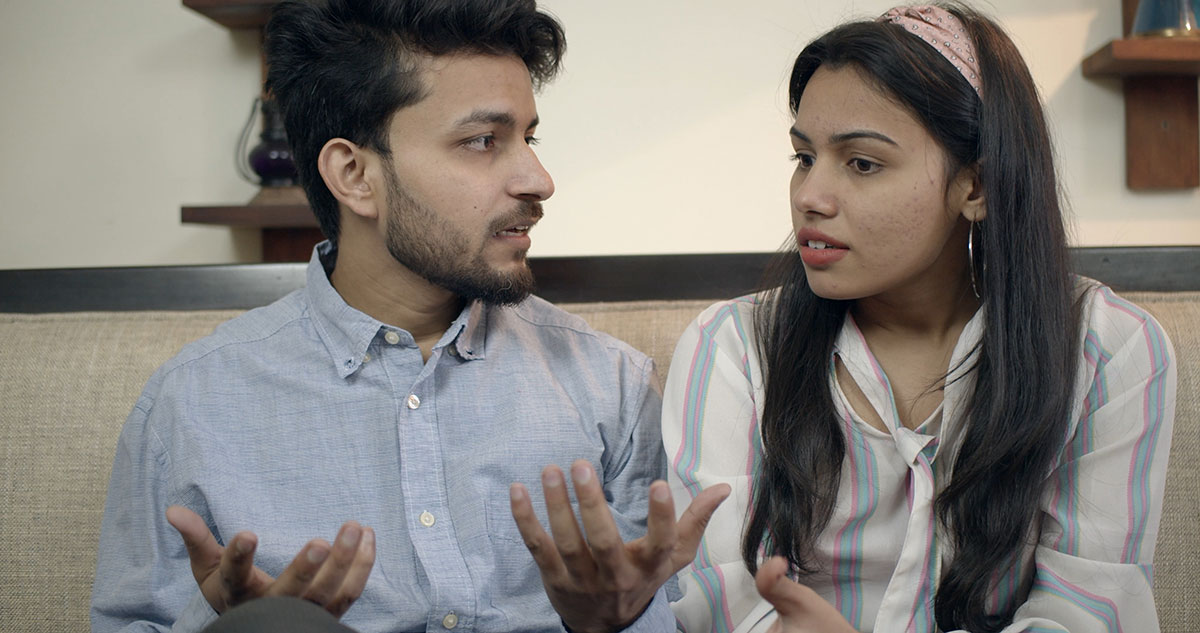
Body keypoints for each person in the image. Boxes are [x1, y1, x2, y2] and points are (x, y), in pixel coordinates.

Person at [89, 1, 722, 631]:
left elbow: (674, 606)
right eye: (482, 141)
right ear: (355, 174)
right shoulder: (194, 402)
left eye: (529, 138)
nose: (539, 179)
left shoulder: (610, 382)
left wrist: (609, 623)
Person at [660, 3, 1178, 632]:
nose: (809, 196)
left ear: (977, 187)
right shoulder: (734, 348)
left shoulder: (1106, 348)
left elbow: (1089, 610)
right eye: (803, 157)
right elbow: (719, 597)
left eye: (862, 163)